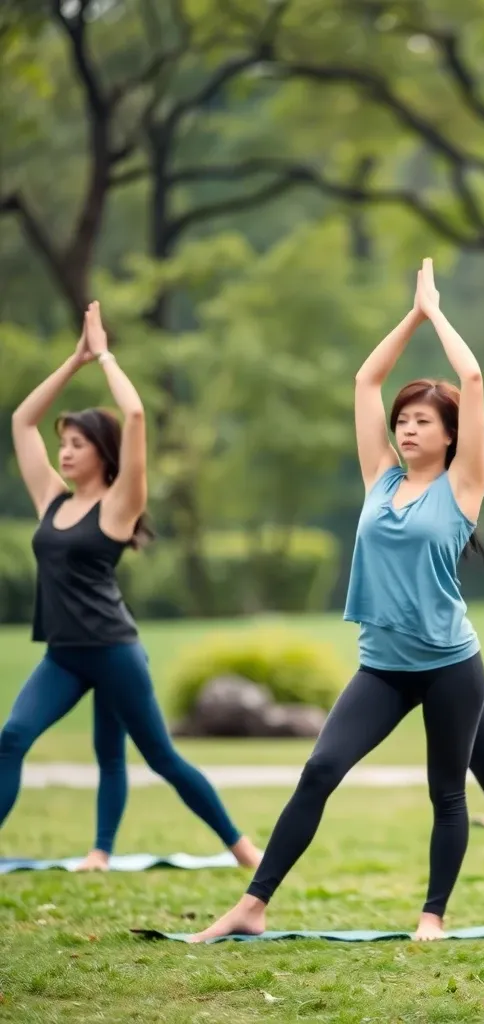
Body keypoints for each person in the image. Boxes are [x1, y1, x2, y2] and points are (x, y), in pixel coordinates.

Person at [190, 260, 484, 943]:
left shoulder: (464, 488)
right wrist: (410, 317)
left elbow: (472, 380)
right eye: (404, 420)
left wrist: (438, 314)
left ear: (451, 435)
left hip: (452, 665)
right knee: (320, 768)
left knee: (475, 792)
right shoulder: (379, 481)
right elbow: (365, 381)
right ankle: (253, 904)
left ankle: (474, 913)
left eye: (423, 421)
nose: (409, 429)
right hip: (383, 665)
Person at [0, 302, 261, 871]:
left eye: (76, 443)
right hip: (64, 655)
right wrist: (74, 361)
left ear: (103, 453)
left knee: (155, 757)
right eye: (62, 443)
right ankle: (102, 851)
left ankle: (242, 848)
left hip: (114, 651)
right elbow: (21, 420)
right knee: (12, 736)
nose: (64, 452)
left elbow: (137, 415)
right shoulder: (53, 500)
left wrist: (106, 356)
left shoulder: (120, 507)